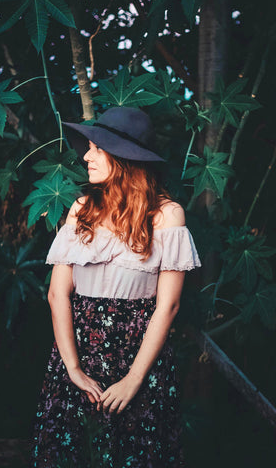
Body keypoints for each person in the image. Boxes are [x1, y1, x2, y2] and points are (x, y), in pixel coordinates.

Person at [30, 107, 202, 468]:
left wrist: (134, 379)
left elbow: (167, 306)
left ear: (123, 157)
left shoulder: (167, 216)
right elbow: (57, 293)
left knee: (136, 455)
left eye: (96, 148)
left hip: (138, 358)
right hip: (77, 353)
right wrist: (73, 369)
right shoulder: (81, 209)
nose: (86, 155)